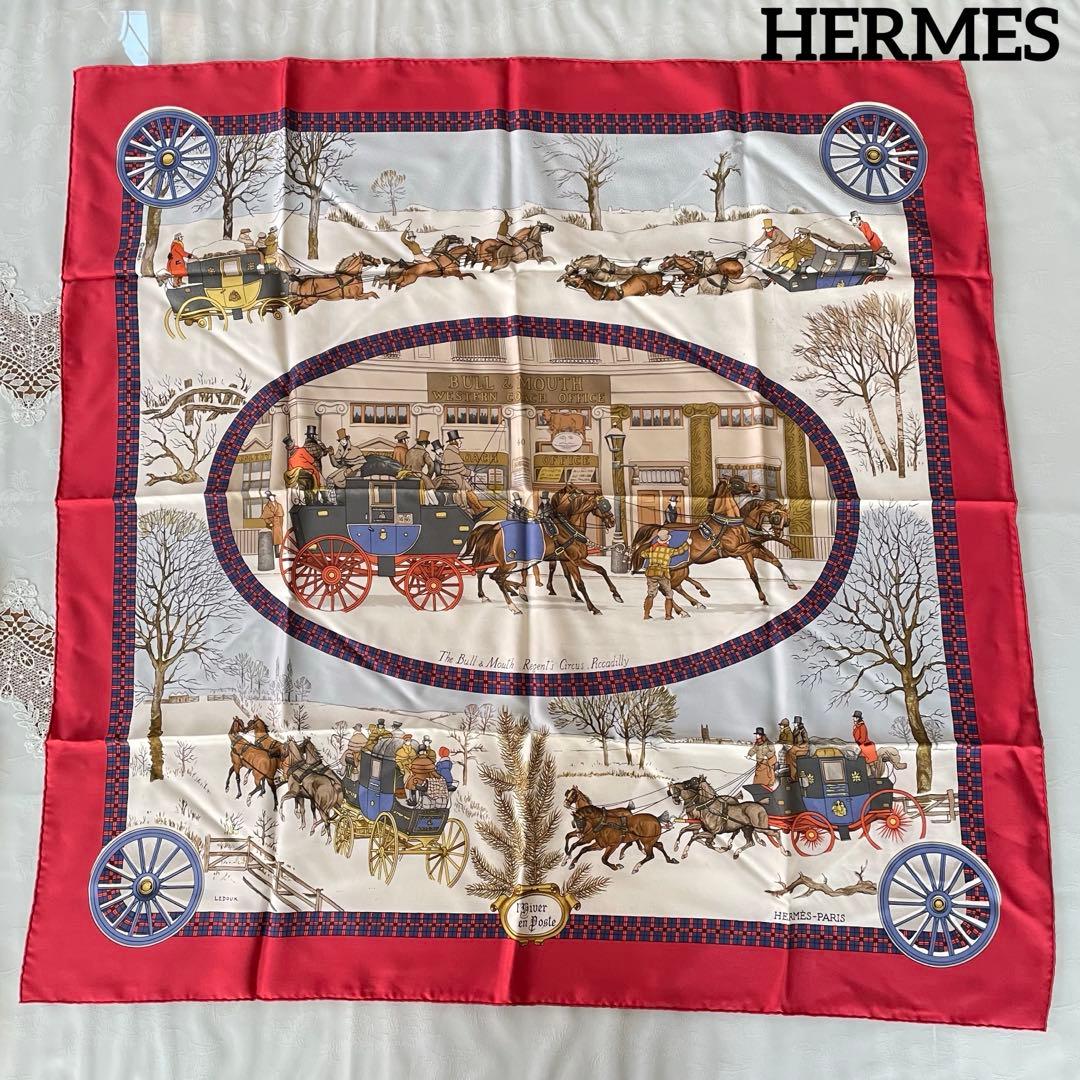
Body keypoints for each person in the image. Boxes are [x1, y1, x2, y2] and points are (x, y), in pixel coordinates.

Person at [641, 527, 691, 621]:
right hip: (663, 573)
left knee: (651, 594)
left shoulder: (652, 549)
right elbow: (680, 550)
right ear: (667, 540)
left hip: (651, 572)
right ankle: (668, 615)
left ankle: (646, 615)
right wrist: (687, 543)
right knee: (669, 594)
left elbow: (643, 554)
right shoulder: (668, 550)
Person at [283, 434, 324, 504]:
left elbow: (290, 469)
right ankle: (320, 495)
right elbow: (311, 460)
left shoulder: (290, 459)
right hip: (309, 472)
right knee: (319, 476)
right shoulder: (301, 450)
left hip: (298, 476)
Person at [260, 490, 284, 558]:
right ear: (269, 498)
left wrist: (280, 524)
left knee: (277, 540)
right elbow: (265, 517)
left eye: (272, 497)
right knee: (271, 540)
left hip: (278, 525)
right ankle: (271, 553)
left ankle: (277, 553)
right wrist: (269, 523)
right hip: (271, 525)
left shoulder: (279, 505)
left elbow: (281, 516)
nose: (272, 498)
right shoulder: (267, 506)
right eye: (270, 497)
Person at [787, 715, 810, 781]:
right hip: (797, 748)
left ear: (798, 724)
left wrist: (798, 746)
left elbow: (806, 742)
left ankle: (794, 776)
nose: (794, 724)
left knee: (791, 751)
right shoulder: (795, 730)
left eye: (795, 723)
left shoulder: (803, 731)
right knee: (788, 753)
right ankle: (791, 772)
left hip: (803, 748)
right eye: (794, 723)